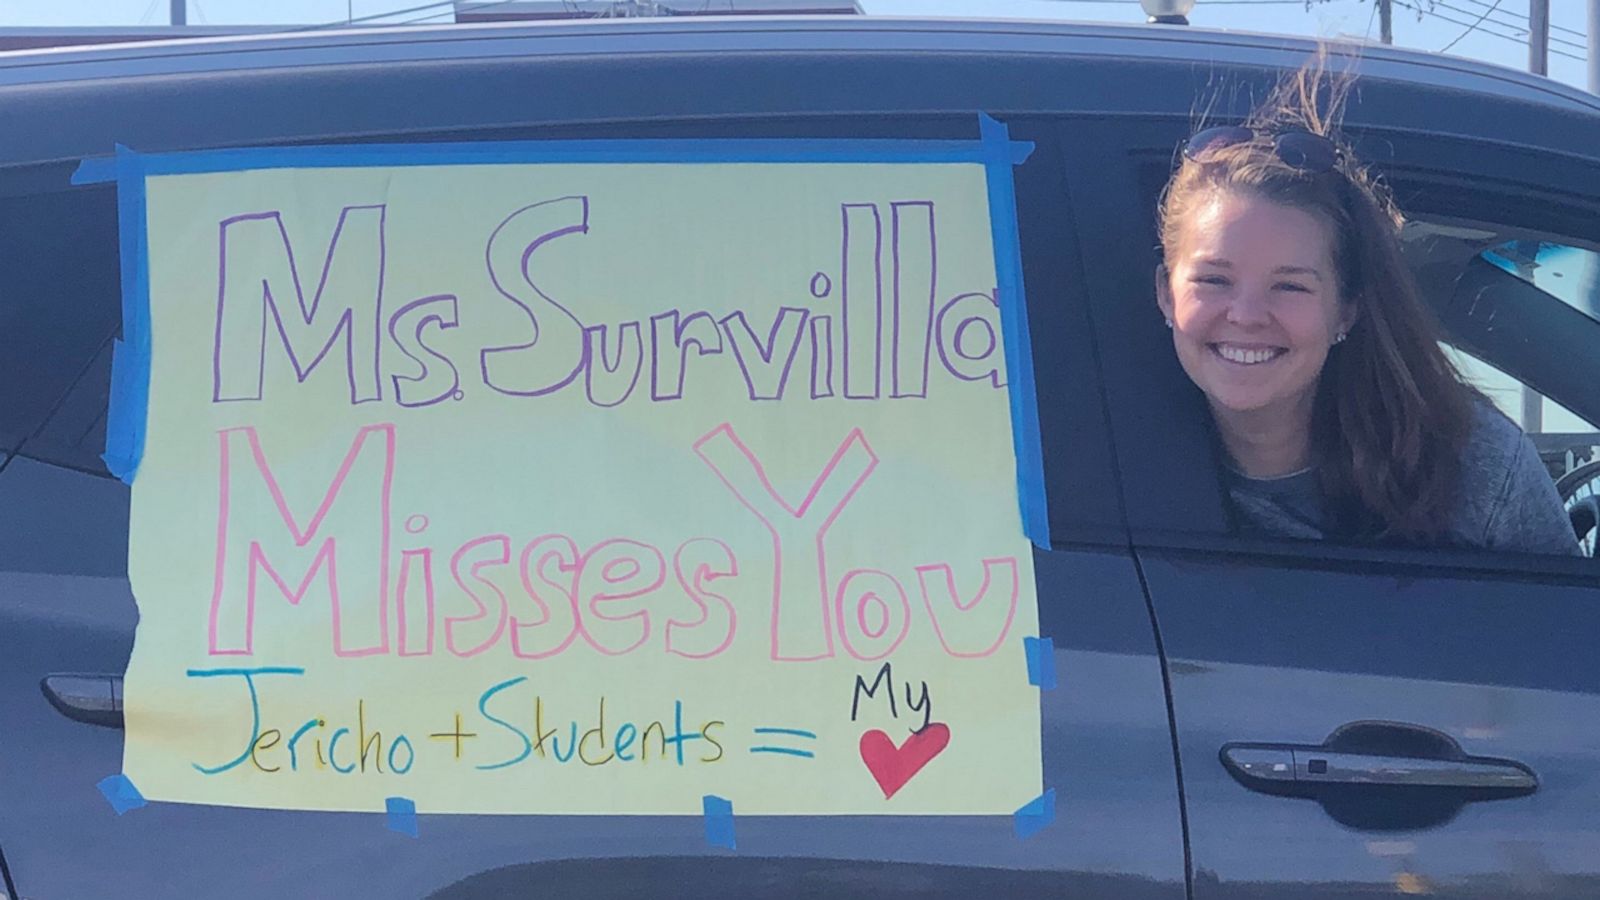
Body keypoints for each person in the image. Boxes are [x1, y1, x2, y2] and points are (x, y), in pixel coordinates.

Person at [1153, 54, 1580, 556]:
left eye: (1289, 286)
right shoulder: (1079, 468)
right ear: (1166, 293)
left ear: (1346, 311)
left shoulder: (1471, 467)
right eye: (1214, 280)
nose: (1246, 315)